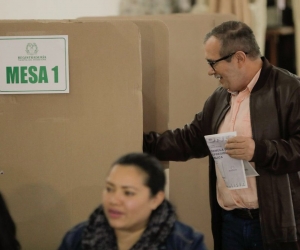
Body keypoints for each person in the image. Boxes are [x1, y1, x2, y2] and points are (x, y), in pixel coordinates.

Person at [143, 20, 300, 250]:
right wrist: (135, 141)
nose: (209, 71)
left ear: (239, 58)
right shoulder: (219, 98)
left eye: (212, 62)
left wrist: (259, 150)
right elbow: (188, 140)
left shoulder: (290, 90)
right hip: (229, 223)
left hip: (272, 226)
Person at [57, 152, 207, 250]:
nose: (114, 200)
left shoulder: (186, 243)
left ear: (156, 199)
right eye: (110, 189)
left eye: (128, 193)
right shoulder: (77, 238)